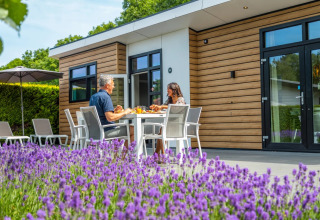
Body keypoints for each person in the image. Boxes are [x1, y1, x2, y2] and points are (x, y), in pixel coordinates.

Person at [89, 75, 134, 146]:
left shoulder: (93, 97)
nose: (113, 87)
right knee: (133, 130)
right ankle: (123, 156)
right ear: (107, 85)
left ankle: (116, 155)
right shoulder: (105, 97)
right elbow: (110, 118)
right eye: (113, 85)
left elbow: (100, 113)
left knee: (123, 130)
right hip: (106, 130)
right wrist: (125, 112)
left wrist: (114, 111)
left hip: (95, 131)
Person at [149, 82, 186, 157]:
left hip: (178, 126)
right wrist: (157, 107)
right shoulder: (169, 100)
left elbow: (175, 108)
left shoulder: (181, 99)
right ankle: (158, 155)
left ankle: (160, 155)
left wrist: (162, 107)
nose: (167, 90)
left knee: (162, 131)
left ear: (174, 90)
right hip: (170, 125)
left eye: (169, 89)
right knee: (161, 131)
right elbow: (163, 107)